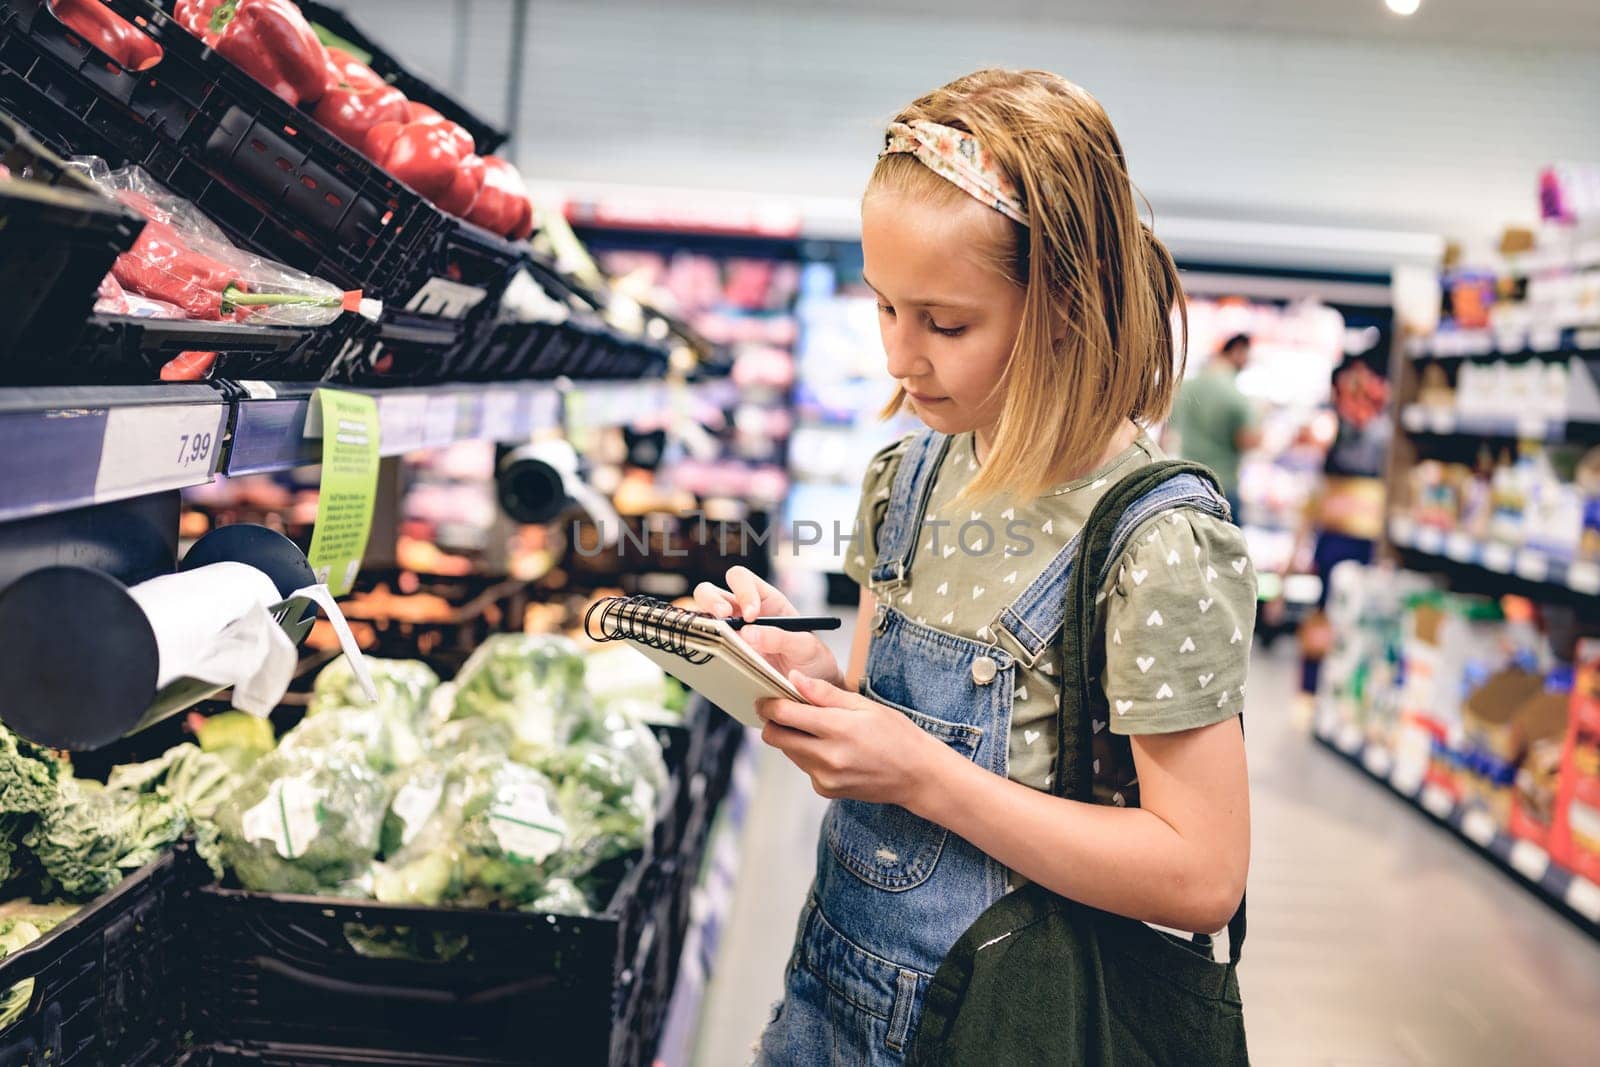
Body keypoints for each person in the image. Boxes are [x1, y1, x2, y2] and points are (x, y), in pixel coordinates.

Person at [693, 69, 1253, 1064]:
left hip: (1014, 1021)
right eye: (883, 308)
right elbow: (885, 707)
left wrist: (924, 775)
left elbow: (1199, 871)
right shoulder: (902, 476)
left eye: (945, 323)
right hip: (831, 994)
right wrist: (815, 686)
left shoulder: (1154, 540)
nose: (901, 356)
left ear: (1066, 306)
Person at [1168, 332, 1262, 519]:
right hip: (1222, 487)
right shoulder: (1236, 395)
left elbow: (1170, 432)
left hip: (1188, 482)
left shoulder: (1185, 388)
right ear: (1237, 352)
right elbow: (1248, 440)